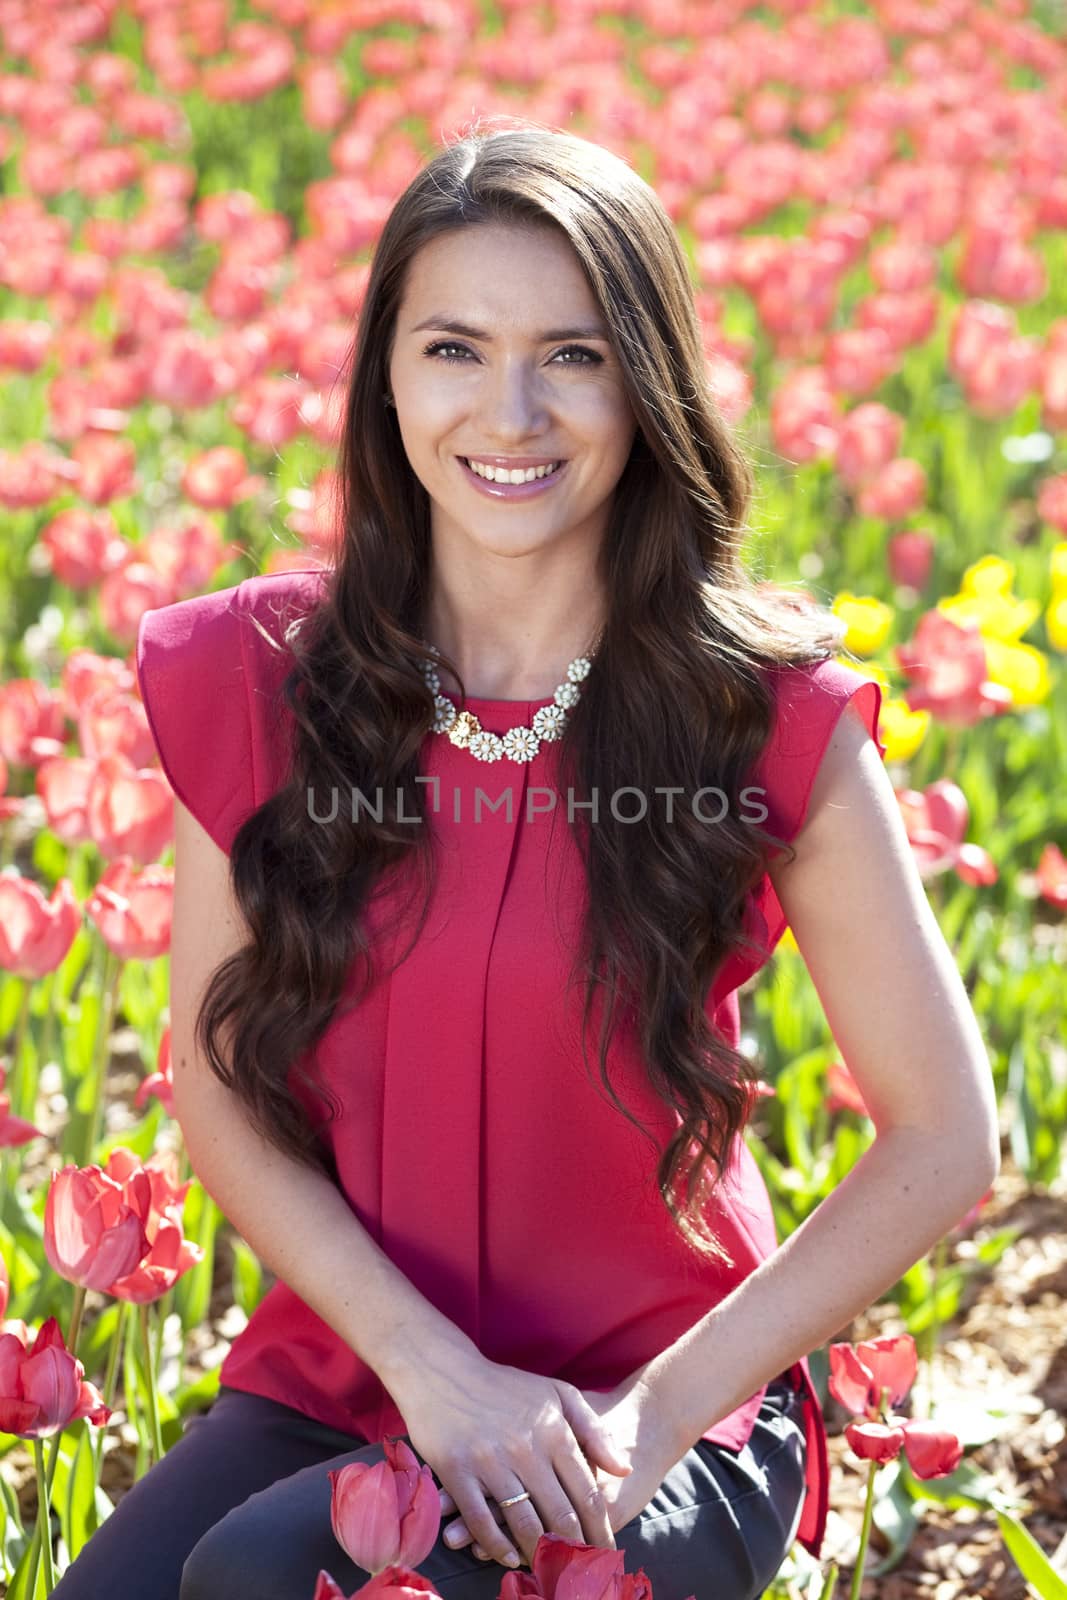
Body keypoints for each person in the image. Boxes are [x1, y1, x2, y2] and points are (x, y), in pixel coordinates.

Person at [52, 121, 998, 1600]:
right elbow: (217, 1084)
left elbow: (945, 1133)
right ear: (387, 377)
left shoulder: (758, 716)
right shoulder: (256, 680)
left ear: (647, 385)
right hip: (355, 1372)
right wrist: (431, 1372)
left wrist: (667, 1414)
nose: (512, 410)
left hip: (658, 1405)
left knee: (265, 1581)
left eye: (573, 354)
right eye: (454, 349)